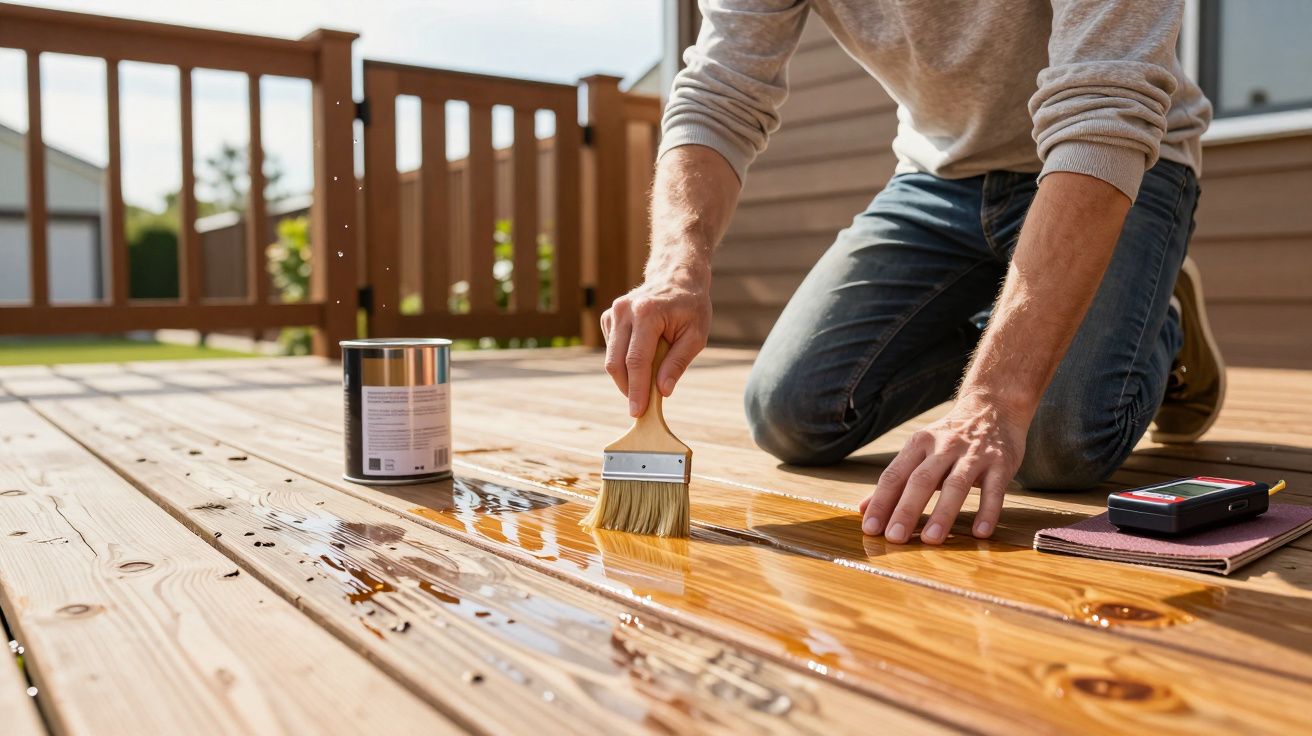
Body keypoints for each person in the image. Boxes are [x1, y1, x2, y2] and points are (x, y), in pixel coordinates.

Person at [599, 0, 1223, 545]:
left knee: (1057, 444)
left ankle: (1155, 316)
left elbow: (1103, 112)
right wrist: (677, 267)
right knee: (791, 414)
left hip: (1114, 160)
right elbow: (719, 92)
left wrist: (995, 397)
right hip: (938, 176)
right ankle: (1032, 313)